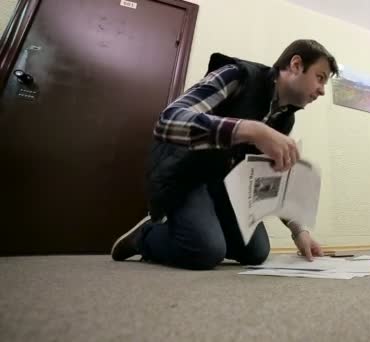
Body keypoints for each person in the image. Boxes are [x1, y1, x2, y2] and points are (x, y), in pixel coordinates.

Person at [110, 39, 339, 269]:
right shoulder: (236, 75)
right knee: (206, 250)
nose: (321, 90)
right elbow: (168, 120)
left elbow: (268, 181)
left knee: (257, 252)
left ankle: (201, 228)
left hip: (223, 185)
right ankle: (146, 236)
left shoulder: (284, 118)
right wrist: (249, 130)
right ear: (296, 65)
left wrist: (298, 231)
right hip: (184, 174)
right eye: (320, 77)